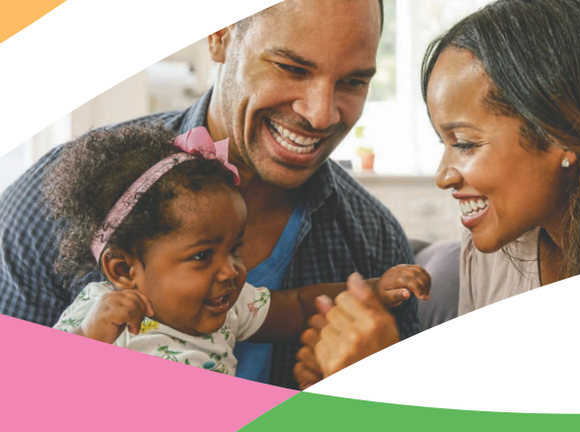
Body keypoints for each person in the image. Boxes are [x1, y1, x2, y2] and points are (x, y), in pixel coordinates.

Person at [293, 0, 580, 386]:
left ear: (565, 133)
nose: (444, 176)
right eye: (444, 144)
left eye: (465, 143)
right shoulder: (496, 254)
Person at [0, 0, 420, 389]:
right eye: (291, 67)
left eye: (351, 82)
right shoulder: (47, 209)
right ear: (219, 34)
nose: (320, 113)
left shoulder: (374, 242)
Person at [46, 124, 430, 376]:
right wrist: (90, 340)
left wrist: (372, 291)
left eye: (235, 249)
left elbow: (297, 305)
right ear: (123, 270)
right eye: (202, 256)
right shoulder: (100, 314)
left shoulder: (230, 306)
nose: (230, 271)